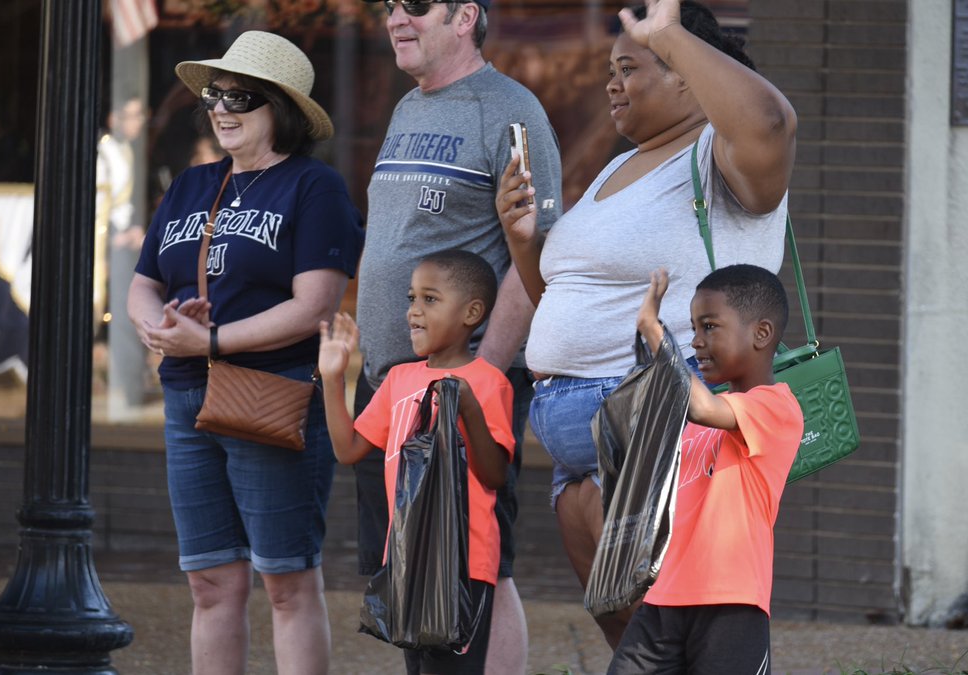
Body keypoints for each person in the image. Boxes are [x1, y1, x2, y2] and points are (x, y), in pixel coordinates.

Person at [495, 0, 797, 647]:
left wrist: (669, 33)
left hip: (655, 421)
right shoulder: (617, 166)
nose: (610, 82)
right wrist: (525, 242)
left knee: (675, 637)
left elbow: (773, 120)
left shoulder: (723, 154)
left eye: (627, 67)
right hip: (582, 444)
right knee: (634, 641)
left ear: (686, 73)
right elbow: (566, 302)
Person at [125, 31, 364, 674]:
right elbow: (144, 282)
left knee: (286, 581)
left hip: (272, 393)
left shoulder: (315, 187)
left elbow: (316, 305)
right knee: (210, 583)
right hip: (186, 393)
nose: (221, 108)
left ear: (280, 109)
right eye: (213, 95)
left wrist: (211, 339)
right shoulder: (191, 185)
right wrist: (158, 328)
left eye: (240, 97)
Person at [355, 0, 563, 669]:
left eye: (415, 5)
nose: (395, 17)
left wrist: (483, 374)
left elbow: (540, 252)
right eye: (387, 6)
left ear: (467, 15)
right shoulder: (408, 107)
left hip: (463, 394)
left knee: (481, 568)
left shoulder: (510, 109)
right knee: (407, 566)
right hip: (393, 388)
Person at [318, 249, 514, 675]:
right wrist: (333, 377)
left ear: (471, 312)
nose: (414, 312)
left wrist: (470, 410)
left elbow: (495, 475)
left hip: (464, 561)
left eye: (430, 299)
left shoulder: (489, 383)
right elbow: (348, 449)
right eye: (411, 299)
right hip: (406, 558)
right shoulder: (399, 379)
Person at [607, 265, 803, 674]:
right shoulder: (697, 415)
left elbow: (703, 406)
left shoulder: (777, 406)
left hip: (731, 603)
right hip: (663, 599)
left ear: (761, 334)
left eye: (710, 326)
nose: (696, 342)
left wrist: (655, 333)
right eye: (693, 328)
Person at [96, 94, 150, 418]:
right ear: (114, 119)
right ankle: (126, 389)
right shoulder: (103, 152)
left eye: (140, 115)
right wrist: (117, 237)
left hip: (125, 243)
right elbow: (99, 205)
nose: (138, 122)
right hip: (107, 249)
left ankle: (130, 388)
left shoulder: (128, 149)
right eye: (131, 115)